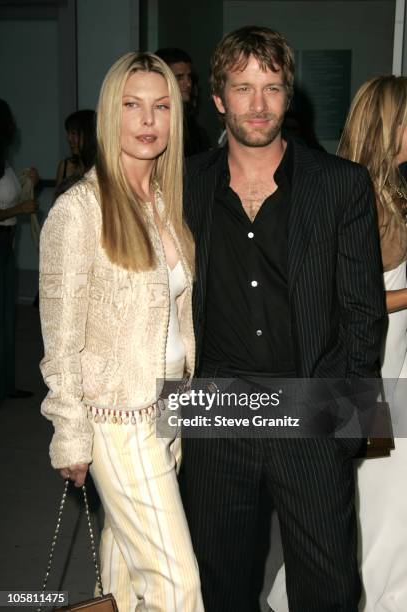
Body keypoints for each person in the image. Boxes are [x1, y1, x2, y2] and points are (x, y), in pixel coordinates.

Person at [179, 26, 385, 612]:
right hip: (214, 408)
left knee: (330, 588)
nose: (258, 104)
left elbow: (364, 313)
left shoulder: (341, 184)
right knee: (220, 587)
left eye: (271, 88)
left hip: (313, 403)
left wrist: (350, 422)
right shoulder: (184, 185)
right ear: (218, 98)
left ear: (287, 95)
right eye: (243, 88)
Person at [39, 52, 203, 612]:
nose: (148, 120)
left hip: (168, 406)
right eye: (132, 105)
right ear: (111, 113)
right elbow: (59, 337)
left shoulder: (165, 203)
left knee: (125, 575)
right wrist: (69, 431)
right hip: (118, 417)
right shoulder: (79, 211)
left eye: (161, 106)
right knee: (176, 584)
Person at [337, 75, 407, 612]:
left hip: (395, 362)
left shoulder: (390, 191)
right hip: (374, 368)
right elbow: (350, 301)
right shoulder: (361, 199)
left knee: (381, 498)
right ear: (392, 125)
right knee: (379, 498)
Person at [0, 98, 38, 402]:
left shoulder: (4, 161)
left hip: (6, 243)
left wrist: (28, 183)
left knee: (7, 317)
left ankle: (6, 384)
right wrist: (21, 207)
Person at [155, 47, 210, 156]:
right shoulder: (153, 123)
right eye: (179, 77)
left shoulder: (194, 129)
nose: (188, 83)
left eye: (189, 77)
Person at [55, 109, 96, 188]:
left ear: (88, 135)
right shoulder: (65, 166)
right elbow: (56, 199)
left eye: (74, 133)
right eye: (68, 133)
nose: (69, 138)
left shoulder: (103, 169)